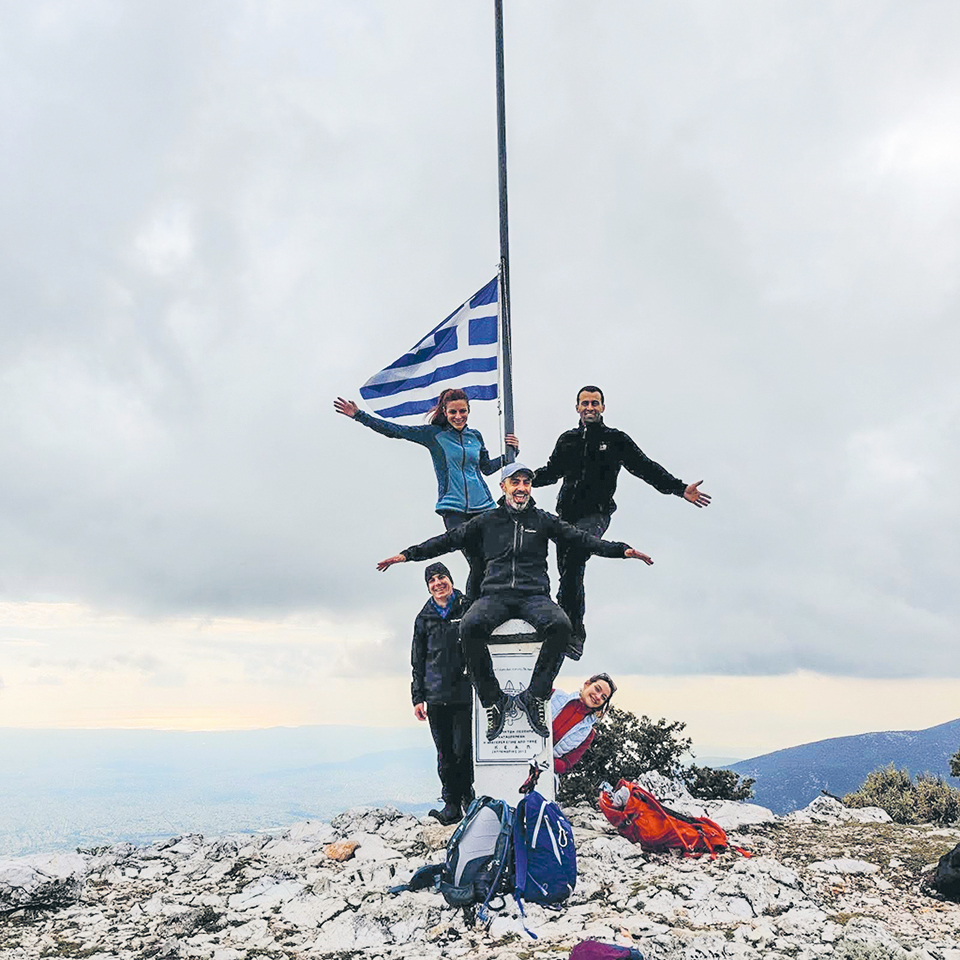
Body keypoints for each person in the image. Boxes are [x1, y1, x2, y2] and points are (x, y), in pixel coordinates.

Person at [377, 463, 653, 744]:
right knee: (469, 626)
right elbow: (448, 540)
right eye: (515, 482)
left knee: (561, 625)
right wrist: (407, 555)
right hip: (495, 596)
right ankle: (493, 701)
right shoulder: (487, 521)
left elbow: (582, 539)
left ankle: (535, 696)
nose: (521, 488)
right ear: (504, 487)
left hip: (534, 596)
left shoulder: (543, 520)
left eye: (526, 483)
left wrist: (622, 550)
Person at [532, 385, 711, 659]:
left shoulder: (616, 440)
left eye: (595, 403)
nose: (590, 408)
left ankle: (574, 633)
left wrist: (679, 488)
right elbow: (551, 472)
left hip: (596, 514)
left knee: (577, 555)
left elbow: (645, 467)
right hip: (566, 516)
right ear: (577, 408)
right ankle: (562, 627)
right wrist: (521, 479)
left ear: (603, 407)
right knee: (568, 572)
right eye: (585, 403)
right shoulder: (567, 440)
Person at [334, 389, 519, 598]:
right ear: (445, 412)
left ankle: (501, 601)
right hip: (454, 509)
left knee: (496, 558)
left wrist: (509, 454)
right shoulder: (433, 435)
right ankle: (474, 607)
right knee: (477, 561)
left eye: (463, 411)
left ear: (469, 410)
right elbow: (396, 430)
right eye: (453, 412)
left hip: (484, 506)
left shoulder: (475, 436)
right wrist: (359, 415)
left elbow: (486, 468)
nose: (458, 416)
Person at [411, 561, 474, 826]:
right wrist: (417, 698)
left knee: (463, 749)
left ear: (450, 579)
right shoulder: (423, 618)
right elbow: (417, 660)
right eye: (432, 580)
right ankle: (451, 805)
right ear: (428, 587)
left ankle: (468, 798)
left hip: (464, 692)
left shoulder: (467, 606)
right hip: (435, 696)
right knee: (445, 754)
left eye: (441, 577)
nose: (438, 583)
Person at [551, 673, 616, 775]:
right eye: (597, 689)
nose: (598, 697)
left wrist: (546, 763)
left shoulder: (588, 734)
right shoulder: (554, 695)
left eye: (603, 697)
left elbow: (566, 764)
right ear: (587, 684)